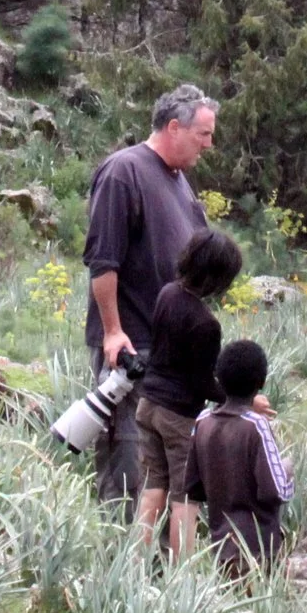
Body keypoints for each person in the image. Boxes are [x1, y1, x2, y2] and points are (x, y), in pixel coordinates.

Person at [82, 82, 216, 506]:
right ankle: (118, 561)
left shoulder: (179, 182)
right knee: (127, 459)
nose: (209, 146)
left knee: (162, 470)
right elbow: (103, 261)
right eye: (204, 135)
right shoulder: (124, 171)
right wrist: (112, 333)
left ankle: (155, 565)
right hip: (132, 350)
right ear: (175, 127)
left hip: (170, 355)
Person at [136, 229, 248, 555]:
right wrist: (240, 397)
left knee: (152, 488)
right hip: (177, 416)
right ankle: (179, 575)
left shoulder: (167, 293)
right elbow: (202, 383)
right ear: (219, 277)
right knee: (186, 498)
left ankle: (135, 565)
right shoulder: (206, 324)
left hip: (147, 405)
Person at [182, 339, 291, 574]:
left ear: (219, 378)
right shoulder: (256, 425)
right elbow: (276, 491)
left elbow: (192, 488)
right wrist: (288, 471)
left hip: (221, 550)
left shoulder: (202, 423)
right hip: (260, 553)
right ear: (260, 382)